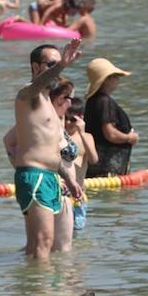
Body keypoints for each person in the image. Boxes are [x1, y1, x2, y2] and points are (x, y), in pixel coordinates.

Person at [10, 41, 80, 259]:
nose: (56, 70)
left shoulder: (48, 103)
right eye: (51, 64)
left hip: (49, 177)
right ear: (35, 67)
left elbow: (53, 148)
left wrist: (69, 179)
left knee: (37, 246)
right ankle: (43, 292)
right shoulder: (27, 95)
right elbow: (36, 86)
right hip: (35, 175)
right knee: (44, 242)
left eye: (57, 64)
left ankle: (32, 290)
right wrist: (63, 66)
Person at [83, 58, 138, 178]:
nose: (118, 79)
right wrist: (130, 137)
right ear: (105, 80)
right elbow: (110, 134)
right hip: (107, 168)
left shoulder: (93, 101)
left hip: (96, 168)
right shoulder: (104, 102)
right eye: (115, 76)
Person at [57, 83, 96, 251]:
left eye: (71, 119)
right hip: (61, 194)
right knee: (61, 236)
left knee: (77, 237)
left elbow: (94, 159)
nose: (67, 123)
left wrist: (82, 131)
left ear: (80, 118)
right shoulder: (58, 136)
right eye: (64, 118)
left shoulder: (86, 137)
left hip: (78, 196)